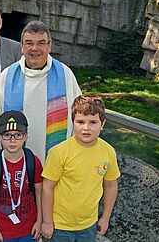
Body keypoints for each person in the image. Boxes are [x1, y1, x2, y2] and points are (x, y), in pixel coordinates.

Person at [0, 20, 81, 164]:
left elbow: (79, 117)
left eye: (41, 43)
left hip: (56, 163)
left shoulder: (65, 75)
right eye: (29, 43)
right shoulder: (7, 77)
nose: (35, 48)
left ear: (49, 46)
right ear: (22, 47)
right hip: (15, 164)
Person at [41, 94, 121, 242]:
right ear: (73, 122)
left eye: (92, 122)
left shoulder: (108, 151)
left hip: (89, 225)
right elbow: (47, 187)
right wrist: (47, 221)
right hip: (60, 226)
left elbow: (111, 185)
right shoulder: (59, 152)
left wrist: (105, 217)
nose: (86, 128)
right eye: (80, 122)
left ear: (102, 124)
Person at [0, 110, 43, 242]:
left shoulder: (33, 161)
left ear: (26, 136)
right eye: (7, 135)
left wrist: (40, 221)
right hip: (2, 231)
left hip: (29, 229)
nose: (12, 140)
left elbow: (39, 192)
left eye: (18, 135)